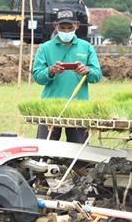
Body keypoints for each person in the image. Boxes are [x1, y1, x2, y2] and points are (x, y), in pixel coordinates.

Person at [31, 10, 102, 142]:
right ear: (55, 26)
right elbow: (37, 76)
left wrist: (87, 71)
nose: (66, 31)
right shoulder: (45, 48)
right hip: (50, 107)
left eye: (70, 27)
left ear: (77, 25)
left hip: (79, 107)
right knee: (44, 150)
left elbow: (97, 75)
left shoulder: (86, 47)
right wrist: (50, 71)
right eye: (62, 28)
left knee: (78, 151)